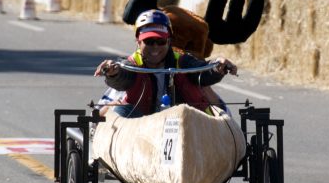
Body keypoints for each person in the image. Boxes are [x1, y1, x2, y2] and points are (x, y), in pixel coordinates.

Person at [95, 10, 238, 118]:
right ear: (138, 42)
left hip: (182, 122)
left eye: (161, 41)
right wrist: (114, 73)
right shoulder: (130, 64)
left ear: (169, 41)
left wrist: (217, 67)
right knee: (117, 112)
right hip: (140, 126)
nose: (155, 47)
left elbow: (203, 72)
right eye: (149, 41)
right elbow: (123, 78)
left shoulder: (183, 61)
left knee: (219, 115)